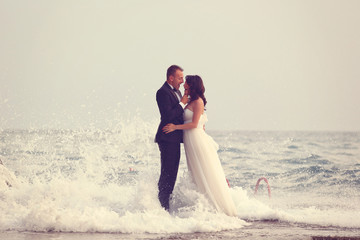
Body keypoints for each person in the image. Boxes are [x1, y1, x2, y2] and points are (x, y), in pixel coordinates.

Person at [163, 75, 237, 216]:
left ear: (192, 85)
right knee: (197, 171)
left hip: (196, 140)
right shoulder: (190, 100)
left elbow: (194, 124)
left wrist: (175, 127)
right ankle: (203, 207)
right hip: (190, 141)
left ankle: (218, 208)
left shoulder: (198, 102)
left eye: (186, 82)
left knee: (204, 170)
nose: (184, 84)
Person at [155, 65, 189, 211]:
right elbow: (168, 116)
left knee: (172, 173)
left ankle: (166, 206)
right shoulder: (162, 92)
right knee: (167, 174)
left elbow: (180, 116)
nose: (182, 81)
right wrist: (182, 103)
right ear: (171, 78)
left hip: (175, 139)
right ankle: (162, 208)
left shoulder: (178, 91)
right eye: (180, 78)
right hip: (167, 138)